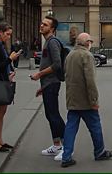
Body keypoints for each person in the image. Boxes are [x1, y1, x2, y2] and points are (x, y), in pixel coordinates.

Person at [58, 33, 112, 167]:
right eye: (90, 41)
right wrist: (94, 101)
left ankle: (66, 157)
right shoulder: (87, 56)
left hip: (72, 98)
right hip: (85, 100)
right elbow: (90, 82)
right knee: (95, 126)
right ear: (87, 42)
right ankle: (99, 151)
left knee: (70, 128)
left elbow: (66, 75)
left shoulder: (70, 55)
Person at [31, 16, 66, 157]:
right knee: (49, 115)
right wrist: (42, 86)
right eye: (41, 23)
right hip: (48, 84)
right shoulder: (47, 42)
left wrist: (39, 75)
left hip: (52, 83)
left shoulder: (52, 42)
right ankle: (57, 145)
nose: (41, 26)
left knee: (54, 115)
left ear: (52, 28)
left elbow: (57, 64)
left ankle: (67, 146)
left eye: (45, 25)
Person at [0, 22, 21, 152]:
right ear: (0, 33)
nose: (8, 37)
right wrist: (10, 59)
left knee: (2, 112)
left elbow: (2, 65)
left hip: (3, 80)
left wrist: (10, 71)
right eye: (7, 34)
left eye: (10, 35)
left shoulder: (0, 45)